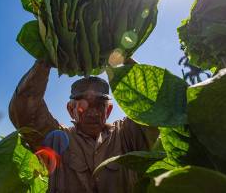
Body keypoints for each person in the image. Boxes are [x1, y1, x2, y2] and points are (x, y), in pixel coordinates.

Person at [9, 60, 159, 193]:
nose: (92, 112)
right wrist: (44, 62)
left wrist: (125, 58)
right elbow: (24, 111)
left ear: (108, 110)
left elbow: (158, 110)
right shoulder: (58, 139)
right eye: (83, 105)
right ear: (70, 109)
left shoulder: (125, 135)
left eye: (99, 105)